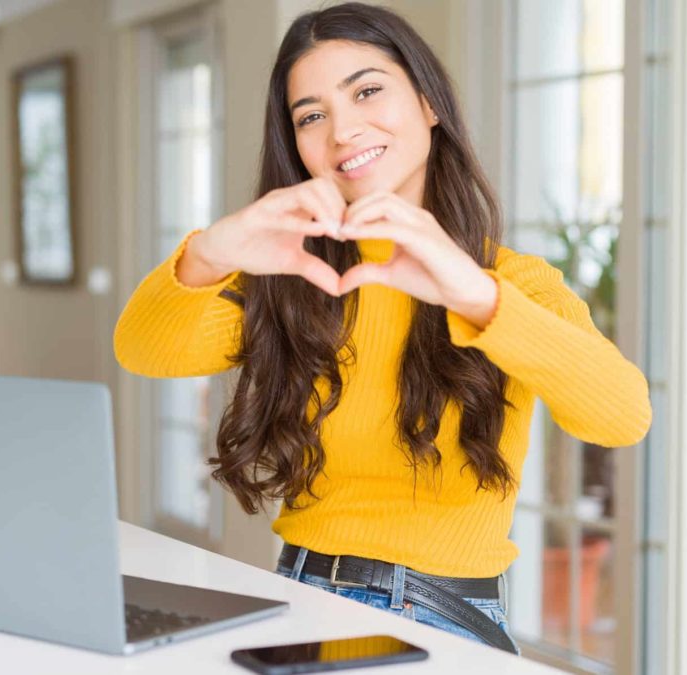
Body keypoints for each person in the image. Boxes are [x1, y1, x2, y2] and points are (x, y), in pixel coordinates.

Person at [114, 1, 651, 655]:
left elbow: (623, 416)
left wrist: (475, 295)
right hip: (299, 591)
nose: (342, 130)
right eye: (311, 115)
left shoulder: (511, 284)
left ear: (429, 102)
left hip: (438, 610)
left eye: (367, 90)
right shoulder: (294, 278)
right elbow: (143, 348)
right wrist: (209, 252)